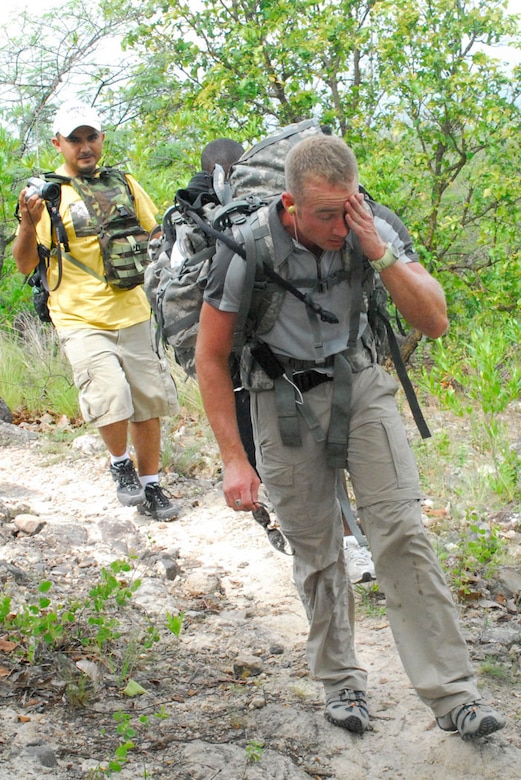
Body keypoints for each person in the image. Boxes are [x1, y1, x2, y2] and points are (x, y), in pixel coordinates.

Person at [195, 133, 506, 740]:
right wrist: (235, 459)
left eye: (349, 208)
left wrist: (378, 249)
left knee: (402, 534)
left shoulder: (369, 227)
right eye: (325, 215)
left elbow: (434, 322)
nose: (340, 225)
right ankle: (342, 685)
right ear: (291, 204)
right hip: (278, 397)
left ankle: (455, 697)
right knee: (316, 550)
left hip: (358, 383)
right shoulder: (249, 249)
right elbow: (211, 357)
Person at [13, 102, 180, 521]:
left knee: (148, 401)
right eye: (75, 139)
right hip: (79, 315)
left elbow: (152, 230)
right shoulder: (48, 195)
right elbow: (26, 264)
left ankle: (151, 485)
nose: (85, 147)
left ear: (102, 139)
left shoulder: (124, 182)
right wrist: (28, 223)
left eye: (91, 137)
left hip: (133, 309)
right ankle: (119, 462)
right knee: (111, 395)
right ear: (58, 144)